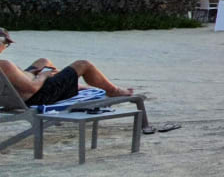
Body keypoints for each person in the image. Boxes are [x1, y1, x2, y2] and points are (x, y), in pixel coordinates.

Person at [0, 28, 177, 133]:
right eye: (5, 43)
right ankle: (113, 90)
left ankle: (75, 86)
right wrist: (43, 76)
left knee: (43, 61)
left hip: (16, 94)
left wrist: (37, 72)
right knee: (83, 64)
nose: (6, 46)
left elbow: (22, 82)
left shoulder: (5, 66)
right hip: (37, 97)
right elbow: (31, 88)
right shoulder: (4, 64)